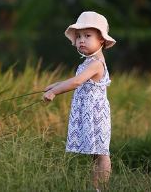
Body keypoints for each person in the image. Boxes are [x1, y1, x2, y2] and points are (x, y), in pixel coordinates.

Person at [42, 11, 116, 191]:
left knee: (101, 153)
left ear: (101, 41)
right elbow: (79, 81)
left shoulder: (96, 63)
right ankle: (96, 186)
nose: (81, 40)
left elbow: (76, 82)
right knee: (95, 153)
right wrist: (56, 84)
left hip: (96, 115)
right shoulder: (88, 62)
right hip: (88, 113)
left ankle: (101, 188)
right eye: (79, 36)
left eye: (88, 36)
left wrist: (55, 92)